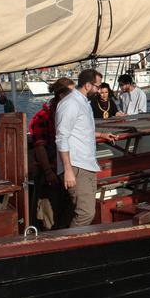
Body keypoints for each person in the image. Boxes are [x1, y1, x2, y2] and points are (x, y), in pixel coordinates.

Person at [55, 69, 102, 228]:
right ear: (88, 85)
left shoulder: (82, 103)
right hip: (76, 166)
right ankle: (68, 248)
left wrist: (102, 133)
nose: (99, 90)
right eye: (97, 86)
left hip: (86, 164)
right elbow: (62, 137)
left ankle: (68, 243)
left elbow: (81, 130)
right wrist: (67, 169)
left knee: (80, 211)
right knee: (85, 213)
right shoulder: (70, 104)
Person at [29, 77, 73, 229]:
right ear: (62, 96)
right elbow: (39, 147)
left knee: (67, 210)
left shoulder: (65, 113)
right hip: (49, 170)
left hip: (63, 169)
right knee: (49, 214)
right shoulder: (43, 116)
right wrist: (48, 172)